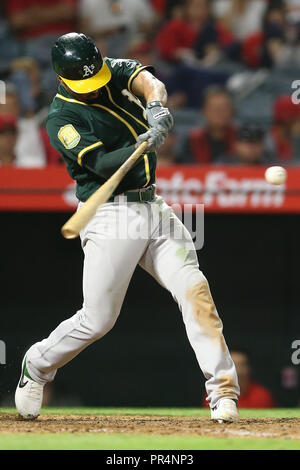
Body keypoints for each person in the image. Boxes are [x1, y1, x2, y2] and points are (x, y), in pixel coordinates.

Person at [15, 32, 240, 423]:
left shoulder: (109, 71)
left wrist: (154, 107)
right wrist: (144, 142)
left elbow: (148, 81)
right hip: (108, 215)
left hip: (152, 204)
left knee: (194, 290)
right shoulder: (61, 118)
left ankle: (222, 391)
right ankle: (37, 364)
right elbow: (102, 165)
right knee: (98, 319)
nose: (95, 86)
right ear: (63, 78)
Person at [179, 86, 236, 164]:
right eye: (215, 109)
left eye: (224, 109)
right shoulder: (192, 140)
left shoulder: (241, 138)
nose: (220, 113)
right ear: (204, 111)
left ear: (232, 111)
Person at [203, 349, 277, 408]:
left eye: (242, 365)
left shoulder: (262, 396)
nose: (238, 371)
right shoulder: (213, 395)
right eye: (232, 366)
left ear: (249, 369)